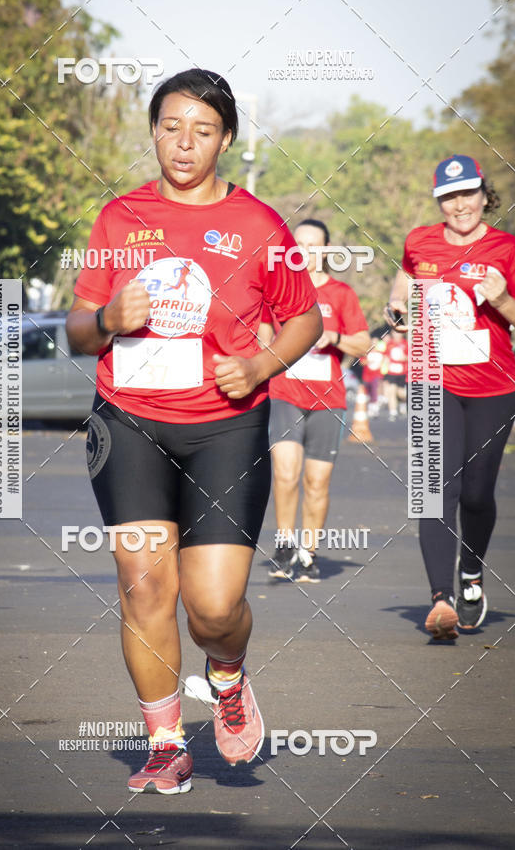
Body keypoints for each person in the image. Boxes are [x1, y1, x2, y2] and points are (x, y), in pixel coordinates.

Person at [66, 69, 322, 794]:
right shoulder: (119, 218)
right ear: (153, 131)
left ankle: (229, 677)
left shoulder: (259, 225)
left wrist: (262, 363)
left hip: (225, 430)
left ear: (227, 139)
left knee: (212, 609)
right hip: (130, 423)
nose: (185, 142)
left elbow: (308, 317)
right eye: (172, 126)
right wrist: (109, 319)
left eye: (203, 130)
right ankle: (166, 741)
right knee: (143, 585)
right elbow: (78, 328)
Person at [385, 154, 515, 639]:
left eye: (468, 194)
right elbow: (406, 282)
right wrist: (397, 305)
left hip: (494, 385)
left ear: (485, 195)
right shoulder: (421, 241)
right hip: (431, 379)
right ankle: (441, 599)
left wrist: (502, 299)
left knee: (478, 494)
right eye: (449, 196)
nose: (460, 205)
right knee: (436, 491)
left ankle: (471, 571)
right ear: (440, 200)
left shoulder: (507, 248)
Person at [259, 220, 370, 582]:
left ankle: (308, 553)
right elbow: (261, 339)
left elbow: (363, 344)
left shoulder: (341, 294)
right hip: (284, 394)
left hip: (328, 400)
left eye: (314, 246)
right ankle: (284, 542)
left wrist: (333, 336)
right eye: (299, 245)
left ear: (327, 251)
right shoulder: (278, 292)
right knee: (286, 473)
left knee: (316, 482)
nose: (305, 252)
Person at [382, 330, 408, 420]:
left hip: (402, 372)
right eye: (395, 333)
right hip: (391, 372)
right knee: (391, 391)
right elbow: (386, 356)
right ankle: (393, 412)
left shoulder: (406, 344)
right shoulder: (389, 344)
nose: (397, 335)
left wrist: (404, 358)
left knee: (401, 393)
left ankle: (403, 403)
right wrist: (384, 366)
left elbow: (411, 357)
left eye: (398, 333)